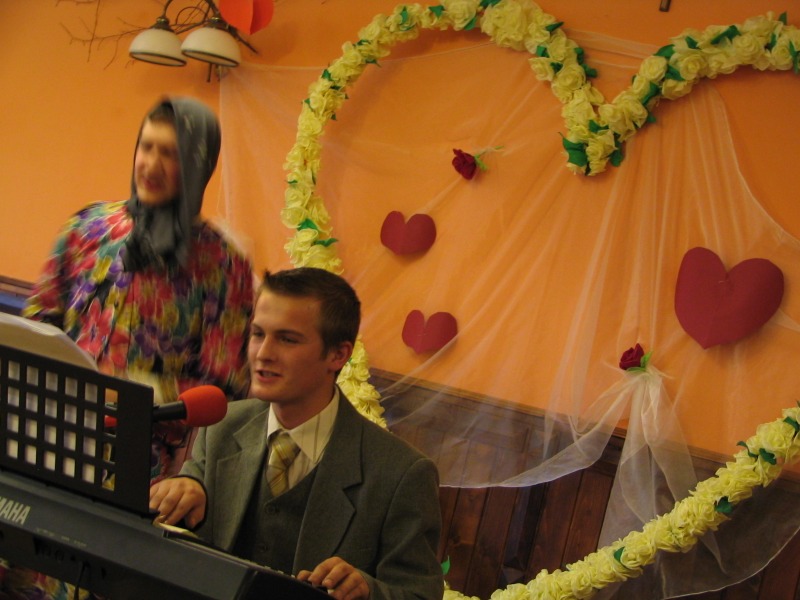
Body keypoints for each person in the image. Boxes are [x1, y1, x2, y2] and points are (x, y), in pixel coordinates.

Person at [3, 96, 254, 600]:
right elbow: (39, 317)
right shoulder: (88, 227)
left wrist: (142, 391)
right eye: (147, 147)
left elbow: (225, 382)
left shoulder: (223, 263)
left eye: (170, 154)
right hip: (48, 436)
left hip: (140, 463)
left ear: (198, 167)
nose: (151, 165)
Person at [149, 267, 444, 600]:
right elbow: (185, 533)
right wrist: (181, 491)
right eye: (257, 334)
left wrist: (368, 591)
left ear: (338, 355)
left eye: (287, 339)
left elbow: (420, 595)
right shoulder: (221, 427)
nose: (263, 353)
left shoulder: (401, 474)